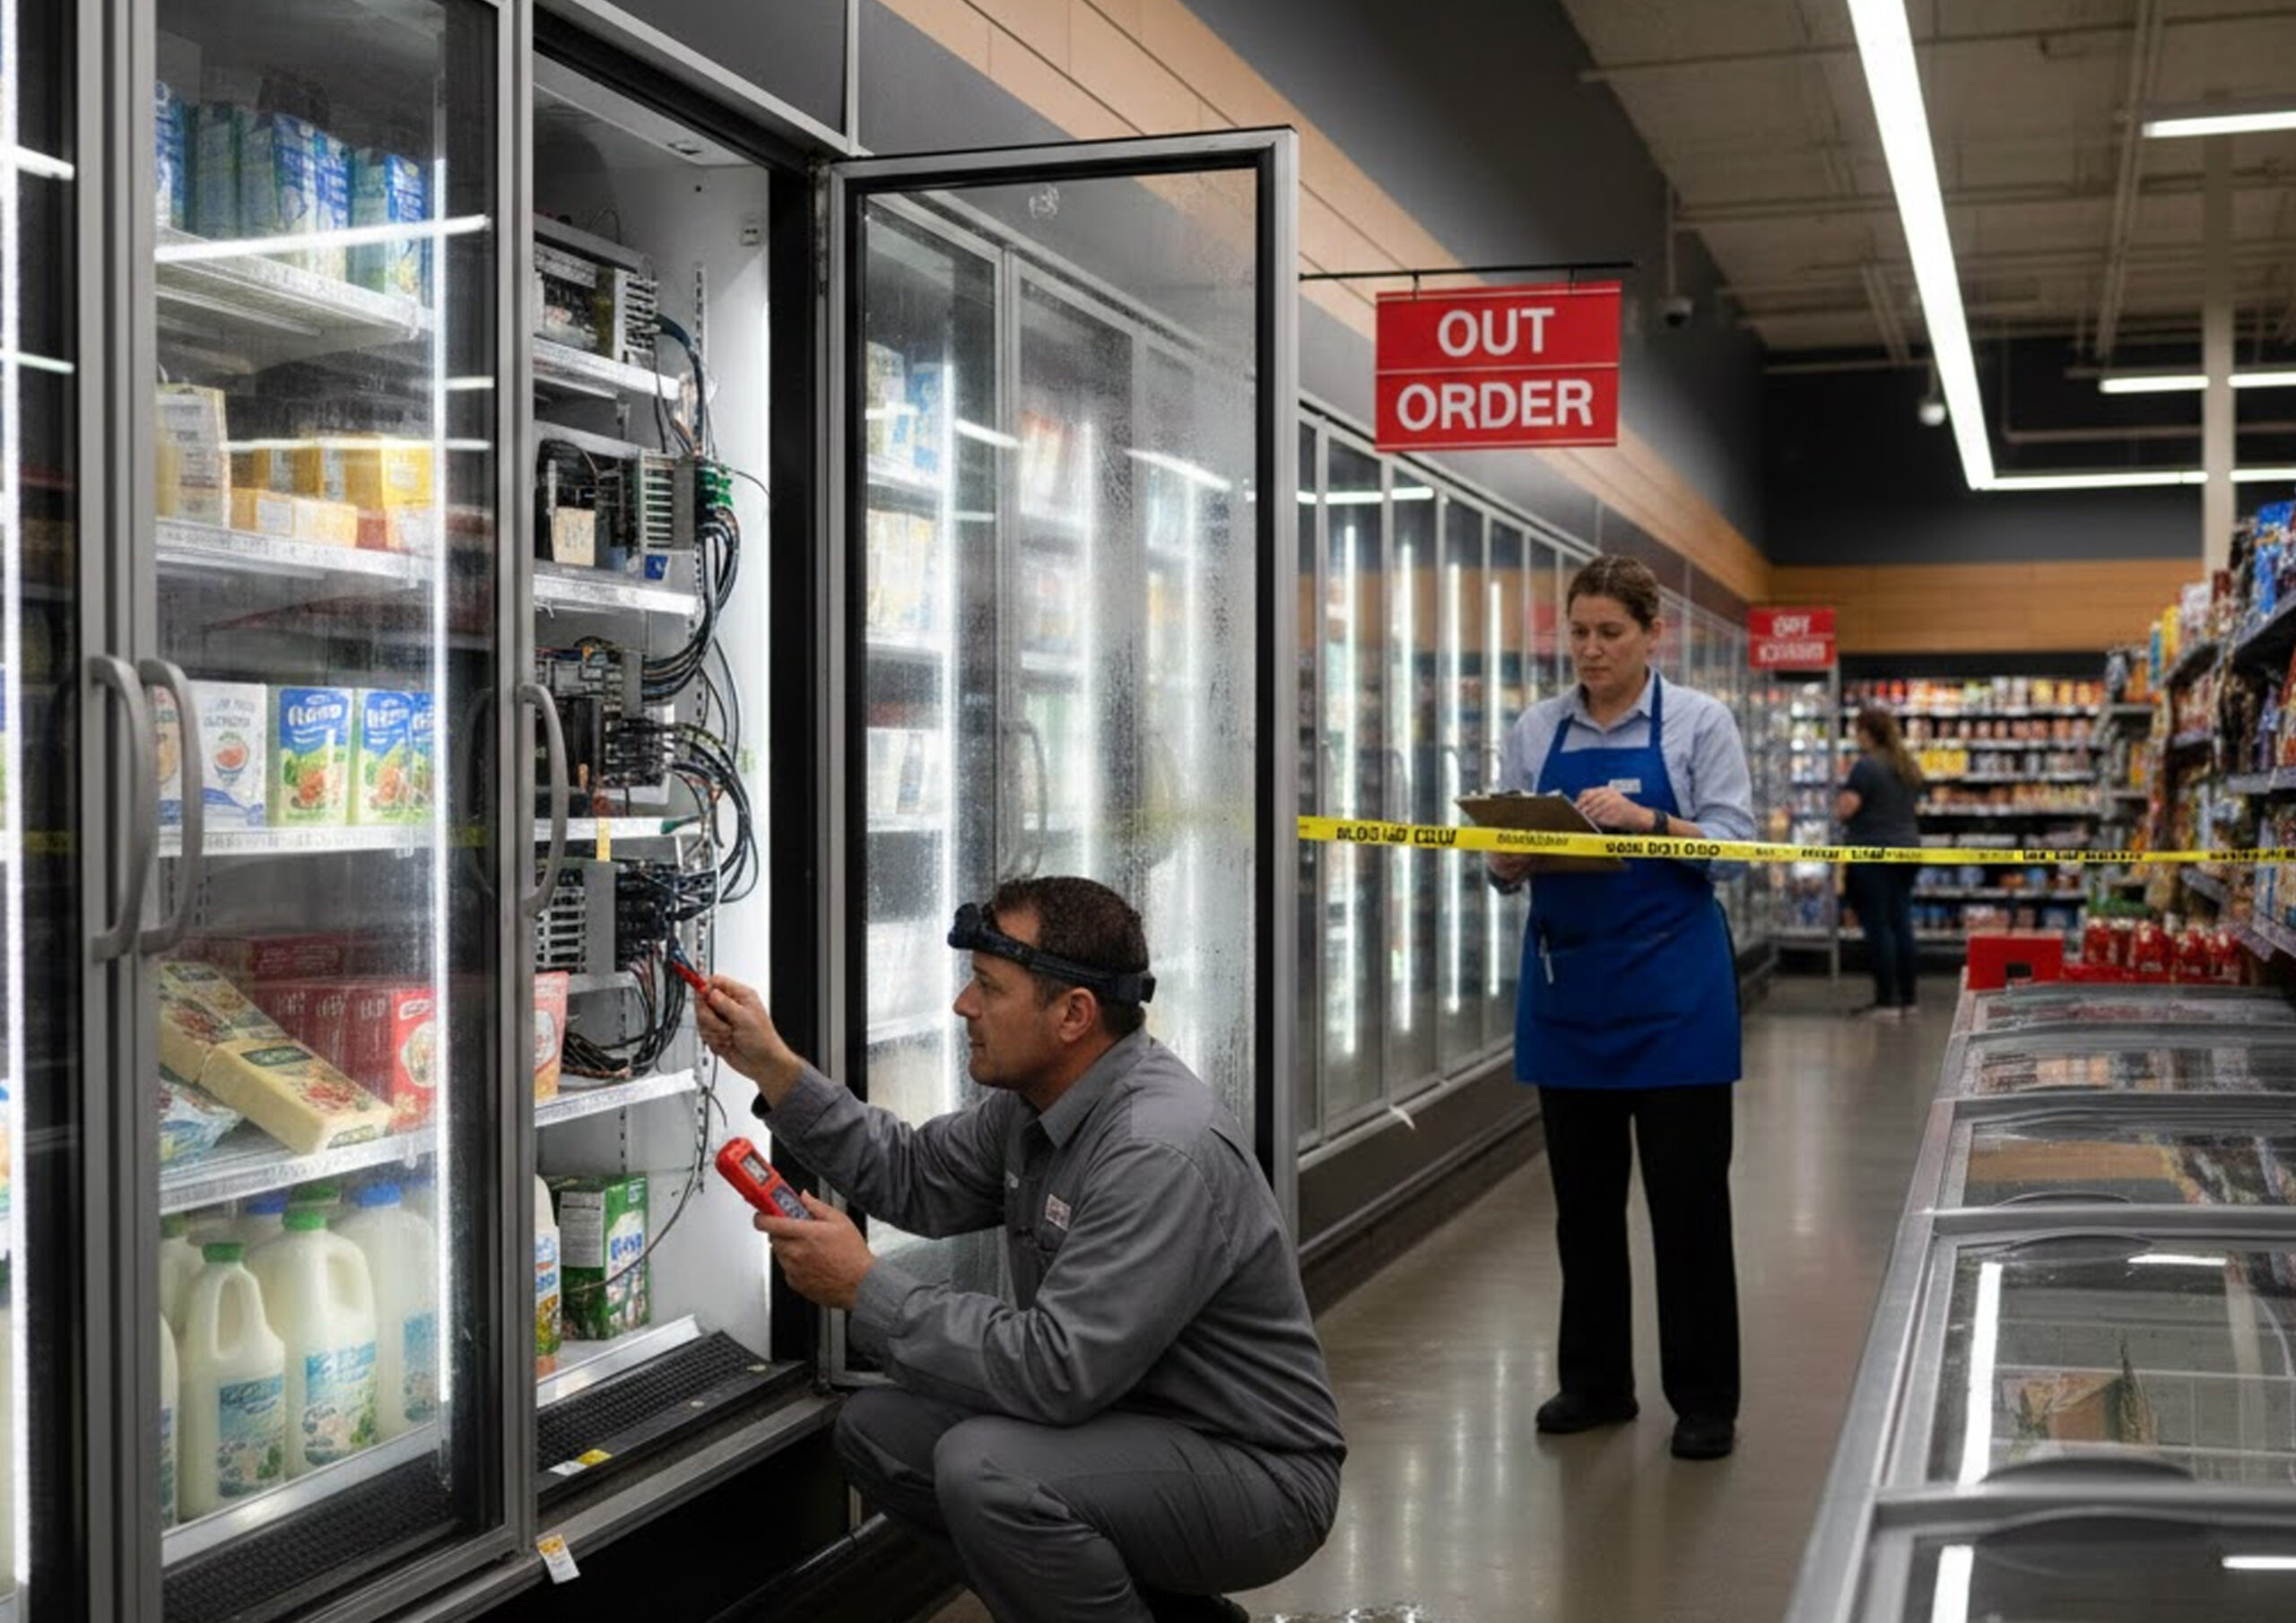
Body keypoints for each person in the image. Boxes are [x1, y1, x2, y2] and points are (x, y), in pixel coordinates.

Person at [695, 876, 1344, 1623]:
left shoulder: (1154, 1151)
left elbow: (1057, 1369)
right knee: (881, 1434)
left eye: (987, 988)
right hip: (1130, 1424)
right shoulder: (1035, 1105)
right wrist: (772, 1064)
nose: (962, 1007)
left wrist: (863, 1287)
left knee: (989, 1473)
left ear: (1073, 1014)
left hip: (1252, 1471)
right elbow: (914, 1175)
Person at [1486, 555, 1754, 1462]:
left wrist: (1649, 825)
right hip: (1571, 997)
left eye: (1610, 632)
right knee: (1582, 1207)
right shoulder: (1535, 728)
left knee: (1687, 1207)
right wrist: (1505, 861)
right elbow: (1497, 854)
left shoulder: (1697, 724)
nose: (1590, 650)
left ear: (1651, 635)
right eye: (1579, 632)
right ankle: (1596, 1381)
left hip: (1677, 999)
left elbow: (1733, 846)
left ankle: (1704, 1398)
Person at [1838, 707, 1926, 1019]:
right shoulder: (1905, 764)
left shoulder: (1866, 767)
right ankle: (1909, 998)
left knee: (1878, 926)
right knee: (1901, 922)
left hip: (1874, 853)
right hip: (1907, 852)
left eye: (1857, 730)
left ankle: (1886, 1001)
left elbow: (1847, 809)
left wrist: (1837, 801)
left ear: (1866, 733)